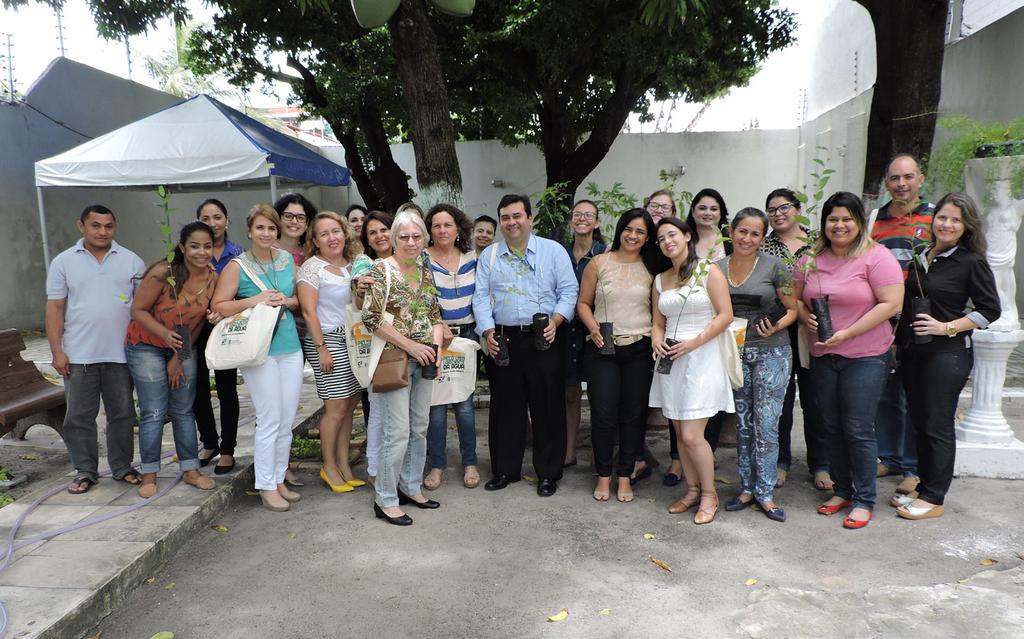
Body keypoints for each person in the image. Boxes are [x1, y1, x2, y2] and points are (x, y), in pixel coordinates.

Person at [794, 191, 903, 529]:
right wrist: (805, 317)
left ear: (858, 222)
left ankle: (864, 498)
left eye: (846, 219)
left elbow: (892, 304)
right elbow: (795, 298)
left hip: (866, 356)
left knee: (858, 427)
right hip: (825, 355)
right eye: (832, 219)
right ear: (824, 223)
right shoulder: (811, 259)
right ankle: (841, 490)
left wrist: (849, 332)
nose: (839, 225)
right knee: (831, 425)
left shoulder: (876, 257)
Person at [894, 193, 999, 520]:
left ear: (966, 225)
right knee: (919, 421)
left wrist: (947, 327)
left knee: (938, 423)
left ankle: (935, 497)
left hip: (947, 355)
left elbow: (990, 310)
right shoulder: (922, 255)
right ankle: (925, 483)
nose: (947, 224)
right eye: (943, 217)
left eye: (956, 219)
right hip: (914, 352)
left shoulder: (971, 261)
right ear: (933, 219)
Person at [473, 194, 579, 497]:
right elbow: (480, 297)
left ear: (530, 218)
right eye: (505, 217)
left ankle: (548, 473)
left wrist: (556, 322)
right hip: (502, 339)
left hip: (544, 336)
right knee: (506, 406)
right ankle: (506, 469)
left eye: (517, 216)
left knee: (547, 405)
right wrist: (487, 331)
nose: (511, 222)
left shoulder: (553, 251)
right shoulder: (489, 256)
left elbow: (569, 291)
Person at [46, 205, 146, 494]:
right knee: (78, 417)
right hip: (79, 355)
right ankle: (85, 470)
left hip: (121, 353)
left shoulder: (131, 261)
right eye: (96, 225)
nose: (103, 232)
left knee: (123, 414)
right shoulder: (63, 262)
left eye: (108, 226)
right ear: (81, 226)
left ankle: (123, 466)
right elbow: (54, 307)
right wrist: (57, 351)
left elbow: (142, 309)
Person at [211, 204, 303, 512]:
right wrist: (256, 299)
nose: (266, 233)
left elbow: (297, 299)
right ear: (250, 230)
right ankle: (265, 485)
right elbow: (220, 305)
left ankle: (277, 478)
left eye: (272, 228)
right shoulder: (238, 266)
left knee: (287, 418)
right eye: (261, 227)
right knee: (270, 417)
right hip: (258, 350)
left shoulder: (287, 259)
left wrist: (285, 300)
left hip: (290, 345)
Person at [649, 217, 734, 525]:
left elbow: (725, 315)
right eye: (661, 238)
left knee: (692, 434)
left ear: (687, 236)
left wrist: (693, 343)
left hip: (702, 356)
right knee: (679, 434)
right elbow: (658, 323)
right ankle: (692, 490)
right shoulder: (660, 280)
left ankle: (710, 494)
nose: (667, 241)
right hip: (671, 361)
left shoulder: (708, 270)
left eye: (672, 234)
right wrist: (657, 341)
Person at [126, 222, 219, 497]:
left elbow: (199, 323)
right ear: (182, 247)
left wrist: (179, 357)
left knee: (183, 409)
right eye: (194, 246)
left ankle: (191, 469)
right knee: (154, 411)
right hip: (146, 345)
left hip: (182, 347)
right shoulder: (163, 273)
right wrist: (165, 335)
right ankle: (149, 474)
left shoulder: (213, 278)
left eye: (207, 246)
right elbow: (138, 310)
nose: (201, 252)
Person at [362, 211, 443, 526]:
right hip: (394, 360)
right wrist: (411, 346)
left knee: (418, 427)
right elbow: (372, 318)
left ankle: (411, 486)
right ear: (394, 239)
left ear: (424, 239)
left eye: (416, 236)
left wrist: (434, 352)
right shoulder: (381, 270)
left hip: (424, 359)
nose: (411, 242)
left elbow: (435, 315)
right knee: (396, 432)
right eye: (404, 237)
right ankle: (385, 498)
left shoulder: (424, 270)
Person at [716, 208, 797, 522]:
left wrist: (775, 327)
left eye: (755, 234)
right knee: (743, 425)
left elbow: (792, 308)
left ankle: (765, 493)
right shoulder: (716, 268)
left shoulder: (775, 266)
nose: (747, 238)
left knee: (767, 425)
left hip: (772, 353)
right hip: (734, 354)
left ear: (763, 238)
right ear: (732, 231)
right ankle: (746, 488)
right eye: (742, 231)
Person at [576, 209, 656, 503]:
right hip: (602, 348)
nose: (633, 236)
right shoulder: (599, 263)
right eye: (629, 229)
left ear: (647, 238)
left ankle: (625, 476)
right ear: (620, 229)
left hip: (639, 348)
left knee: (633, 416)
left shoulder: (652, 266)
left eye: (640, 232)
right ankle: (603, 475)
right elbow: (583, 303)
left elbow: (657, 311)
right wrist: (593, 326)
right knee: (604, 415)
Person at [870, 154, 935, 496]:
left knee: (912, 394)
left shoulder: (934, 215)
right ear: (887, 183)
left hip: (917, 314)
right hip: (883, 314)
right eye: (895, 178)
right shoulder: (874, 220)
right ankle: (890, 456)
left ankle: (912, 466)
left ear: (920, 179)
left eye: (908, 177)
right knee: (884, 392)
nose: (901, 184)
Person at [760, 188, 830, 491]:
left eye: (784, 207)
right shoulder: (764, 246)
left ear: (798, 209)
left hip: (812, 327)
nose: (778, 214)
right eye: (771, 209)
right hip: (775, 328)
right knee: (781, 399)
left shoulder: (819, 242)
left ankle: (821, 464)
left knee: (815, 400)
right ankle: (781, 461)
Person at [297, 212, 367, 493]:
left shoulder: (353, 265)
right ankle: (328, 467)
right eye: (324, 234)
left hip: (353, 339)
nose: (332, 238)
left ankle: (343, 464)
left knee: (350, 405)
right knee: (335, 407)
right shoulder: (312, 268)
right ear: (314, 240)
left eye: (335, 231)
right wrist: (322, 348)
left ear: (344, 233)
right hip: (328, 340)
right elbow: (308, 311)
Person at [423, 203, 480, 491]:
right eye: (436, 225)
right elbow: (418, 298)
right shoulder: (422, 259)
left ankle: (470, 462)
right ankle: (437, 464)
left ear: (458, 228)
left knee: (465, 405)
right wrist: (437, 324)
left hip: (467, 336)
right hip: (435, 337)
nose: (442, 230)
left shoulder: (473, 258)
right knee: (436, 406)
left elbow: (483, 296)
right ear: (429, 230)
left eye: (447, 224)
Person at [193, 198, 242, 475]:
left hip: (227, 328)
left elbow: (244, 291)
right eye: (205, 218)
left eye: (217, 217)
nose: (212, 223)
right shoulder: (190, 252)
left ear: (227, 221)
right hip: (194, 329)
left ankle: (228, 449)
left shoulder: (238, 254)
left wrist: (224, 311)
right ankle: (209, 442)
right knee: (197, 388)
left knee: (226, 389)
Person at [564, 199, 606, 468]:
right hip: (566, 331)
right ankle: (569, 451)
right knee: (569, 393)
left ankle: (597, 452)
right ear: (571, 221)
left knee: (599, 393)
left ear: (597, 222)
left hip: (596, 330)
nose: (582, 219)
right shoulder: (559, 252)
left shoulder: (605, 253)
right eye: (578, 214)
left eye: (588, 215)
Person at [354, 210, 394, 484]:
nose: (380, 235)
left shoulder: (410, 258)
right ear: (367, 239)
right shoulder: (364, 263)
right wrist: (359, 290)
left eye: (384, 229)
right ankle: (375, 470)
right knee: (379, 409)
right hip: (379, 346)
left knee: (405, 413)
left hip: (410, 344)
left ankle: (400, 466)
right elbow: (359, 300)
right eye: (373, 232)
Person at [686, 187, 731, 261]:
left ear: (721, 212)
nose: (708, 213)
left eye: (713, 209)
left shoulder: (730, 239)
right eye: (702, 208)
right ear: (693, 211)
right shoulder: (683, 239)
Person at [274, 193, 316, 265]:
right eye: (288, 216)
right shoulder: (266, 248)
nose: (294, 221)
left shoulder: (310, 253)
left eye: (300, 217)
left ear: (307, 223)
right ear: (278, 219)